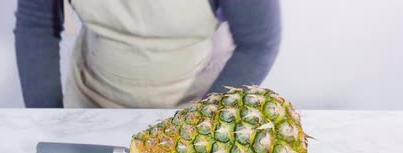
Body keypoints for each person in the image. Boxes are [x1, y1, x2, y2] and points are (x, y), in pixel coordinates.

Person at [15, 0, 281, 109]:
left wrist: (202, 124)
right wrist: (49, 121)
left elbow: (258, 45)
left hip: (196, 102)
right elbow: (37, 23)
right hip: (90, 101)